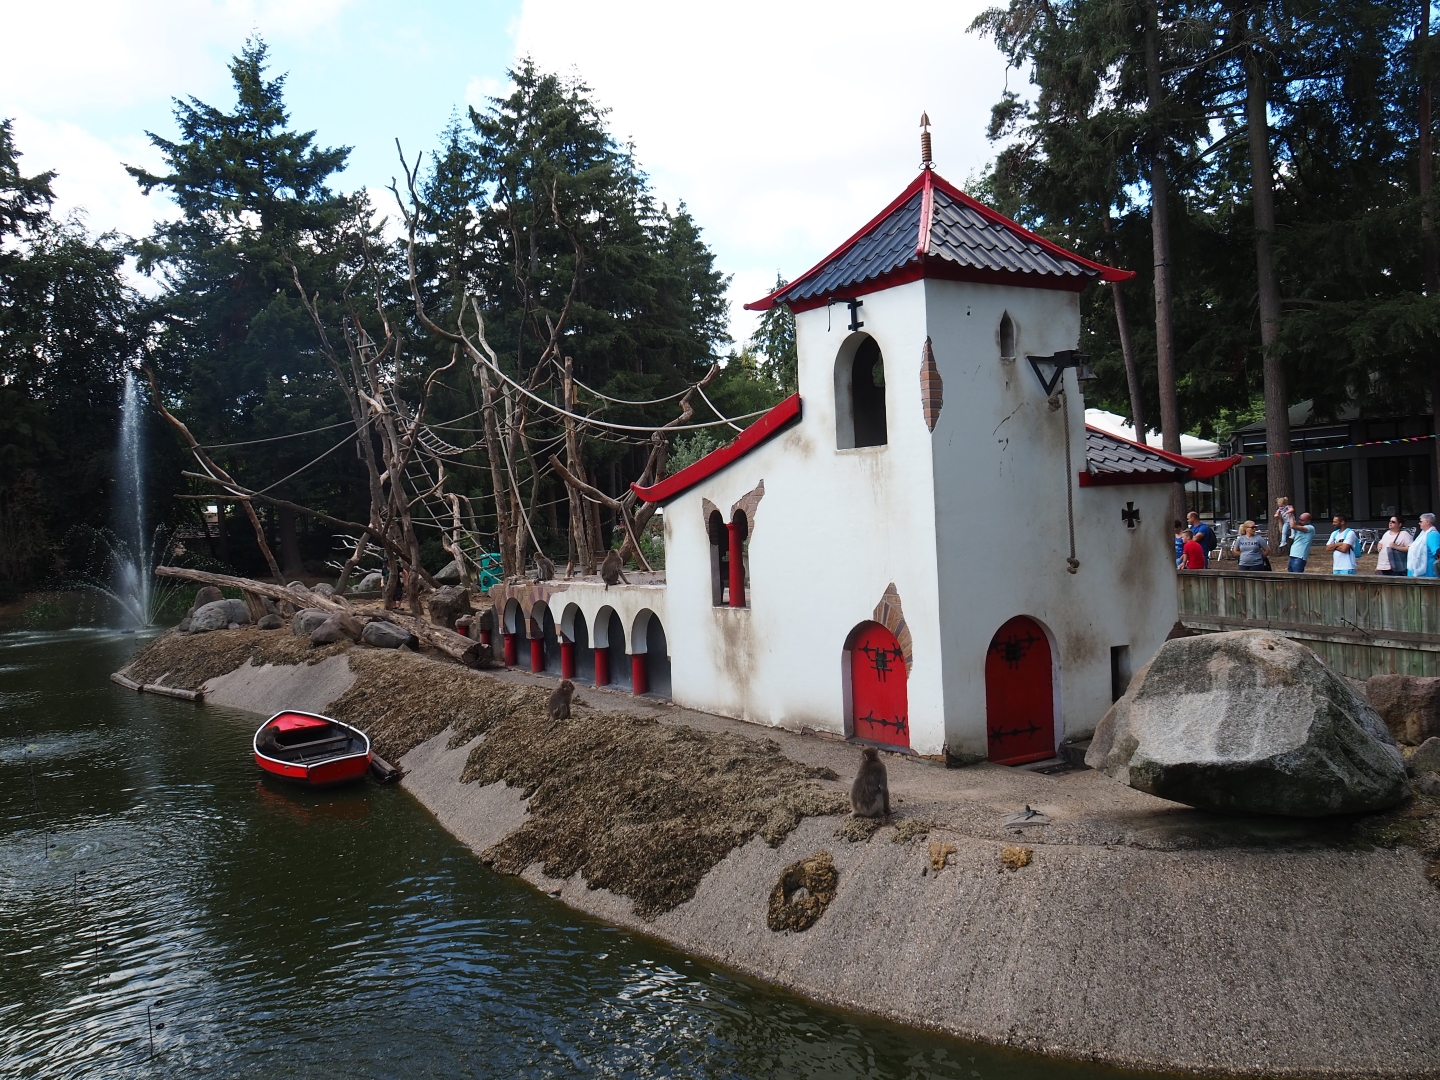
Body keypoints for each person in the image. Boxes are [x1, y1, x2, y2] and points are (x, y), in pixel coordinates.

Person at [1408, 513, 1440, 577]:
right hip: (1416, 573)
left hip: (1428, 572)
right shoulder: (1422, 535)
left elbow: (1437, 552)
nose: (1419, 523)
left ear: (1428, 522)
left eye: (1421, 521)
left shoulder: (1433, 534)